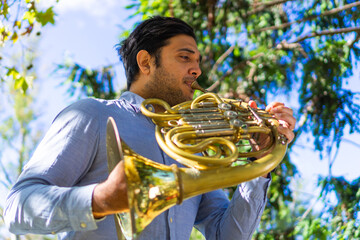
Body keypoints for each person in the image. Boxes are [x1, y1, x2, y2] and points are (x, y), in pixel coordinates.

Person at [4, 16, 296, 240]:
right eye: (185, 58)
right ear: (146, 62)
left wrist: (259, 163)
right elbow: (17, 207)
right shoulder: (91, 114)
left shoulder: (195, 142)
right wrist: (99, 199)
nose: (197, 71)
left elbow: (226, 234)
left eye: (197, 62)